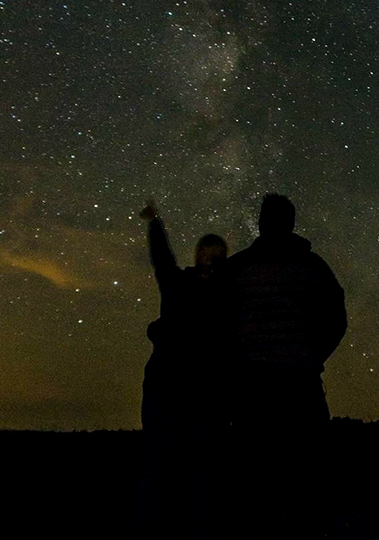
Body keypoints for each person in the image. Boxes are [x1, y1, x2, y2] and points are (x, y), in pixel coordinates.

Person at [226, 193, 346, 538]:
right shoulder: (314, 266)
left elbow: (219, 320)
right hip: (299, 380)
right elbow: (336, 319)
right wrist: (312, 355)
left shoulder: (238, 267)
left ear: (262, 222)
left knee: (256, 471)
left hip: (255, 383)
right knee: (307, 471)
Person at [136, 200, 229, 538]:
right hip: (202, 394)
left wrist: (155, 223)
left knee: (158, 467)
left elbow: (162, 260)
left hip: (166, 386)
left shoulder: (178, 285)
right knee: (202, 471)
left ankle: (153, 529)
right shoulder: (226, 296)